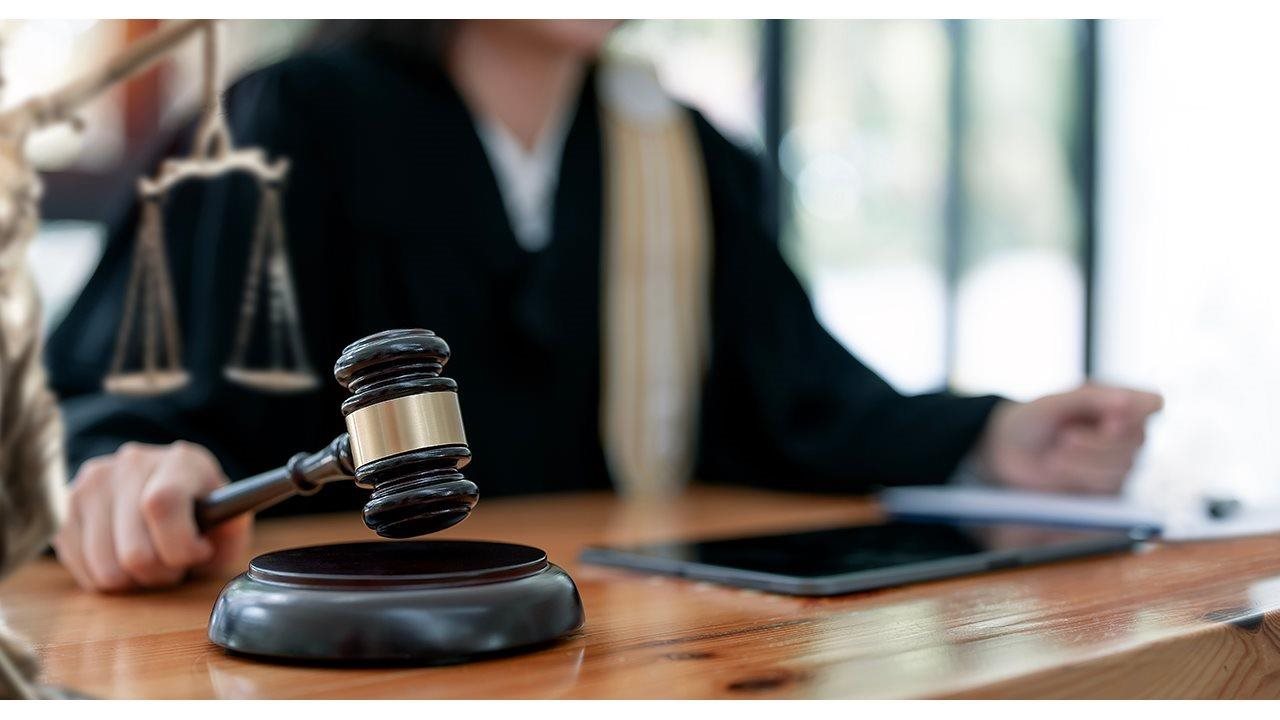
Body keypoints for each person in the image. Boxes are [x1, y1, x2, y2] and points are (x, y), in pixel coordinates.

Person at [44, 20, 1162, 593]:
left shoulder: (679, 156)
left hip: (619, 649)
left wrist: (989, 436)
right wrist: (139, 471)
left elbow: (793, 405)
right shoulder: (280, 125)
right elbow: (119, 408)